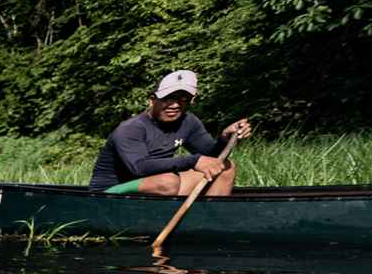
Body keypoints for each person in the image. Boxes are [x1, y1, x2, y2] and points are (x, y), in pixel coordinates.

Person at [88, 70, 254, 196]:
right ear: (152, 100)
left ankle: (209, 221)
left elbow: (212, 157)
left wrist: (225, 139)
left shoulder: (188, 122)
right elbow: (139, 168)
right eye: (169, 98)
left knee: (225, 167)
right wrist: (194, 161)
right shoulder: (131, 128)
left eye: (183, 99)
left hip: (159, 186)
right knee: (168, 181)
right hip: (109, 192)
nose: (175, 105)